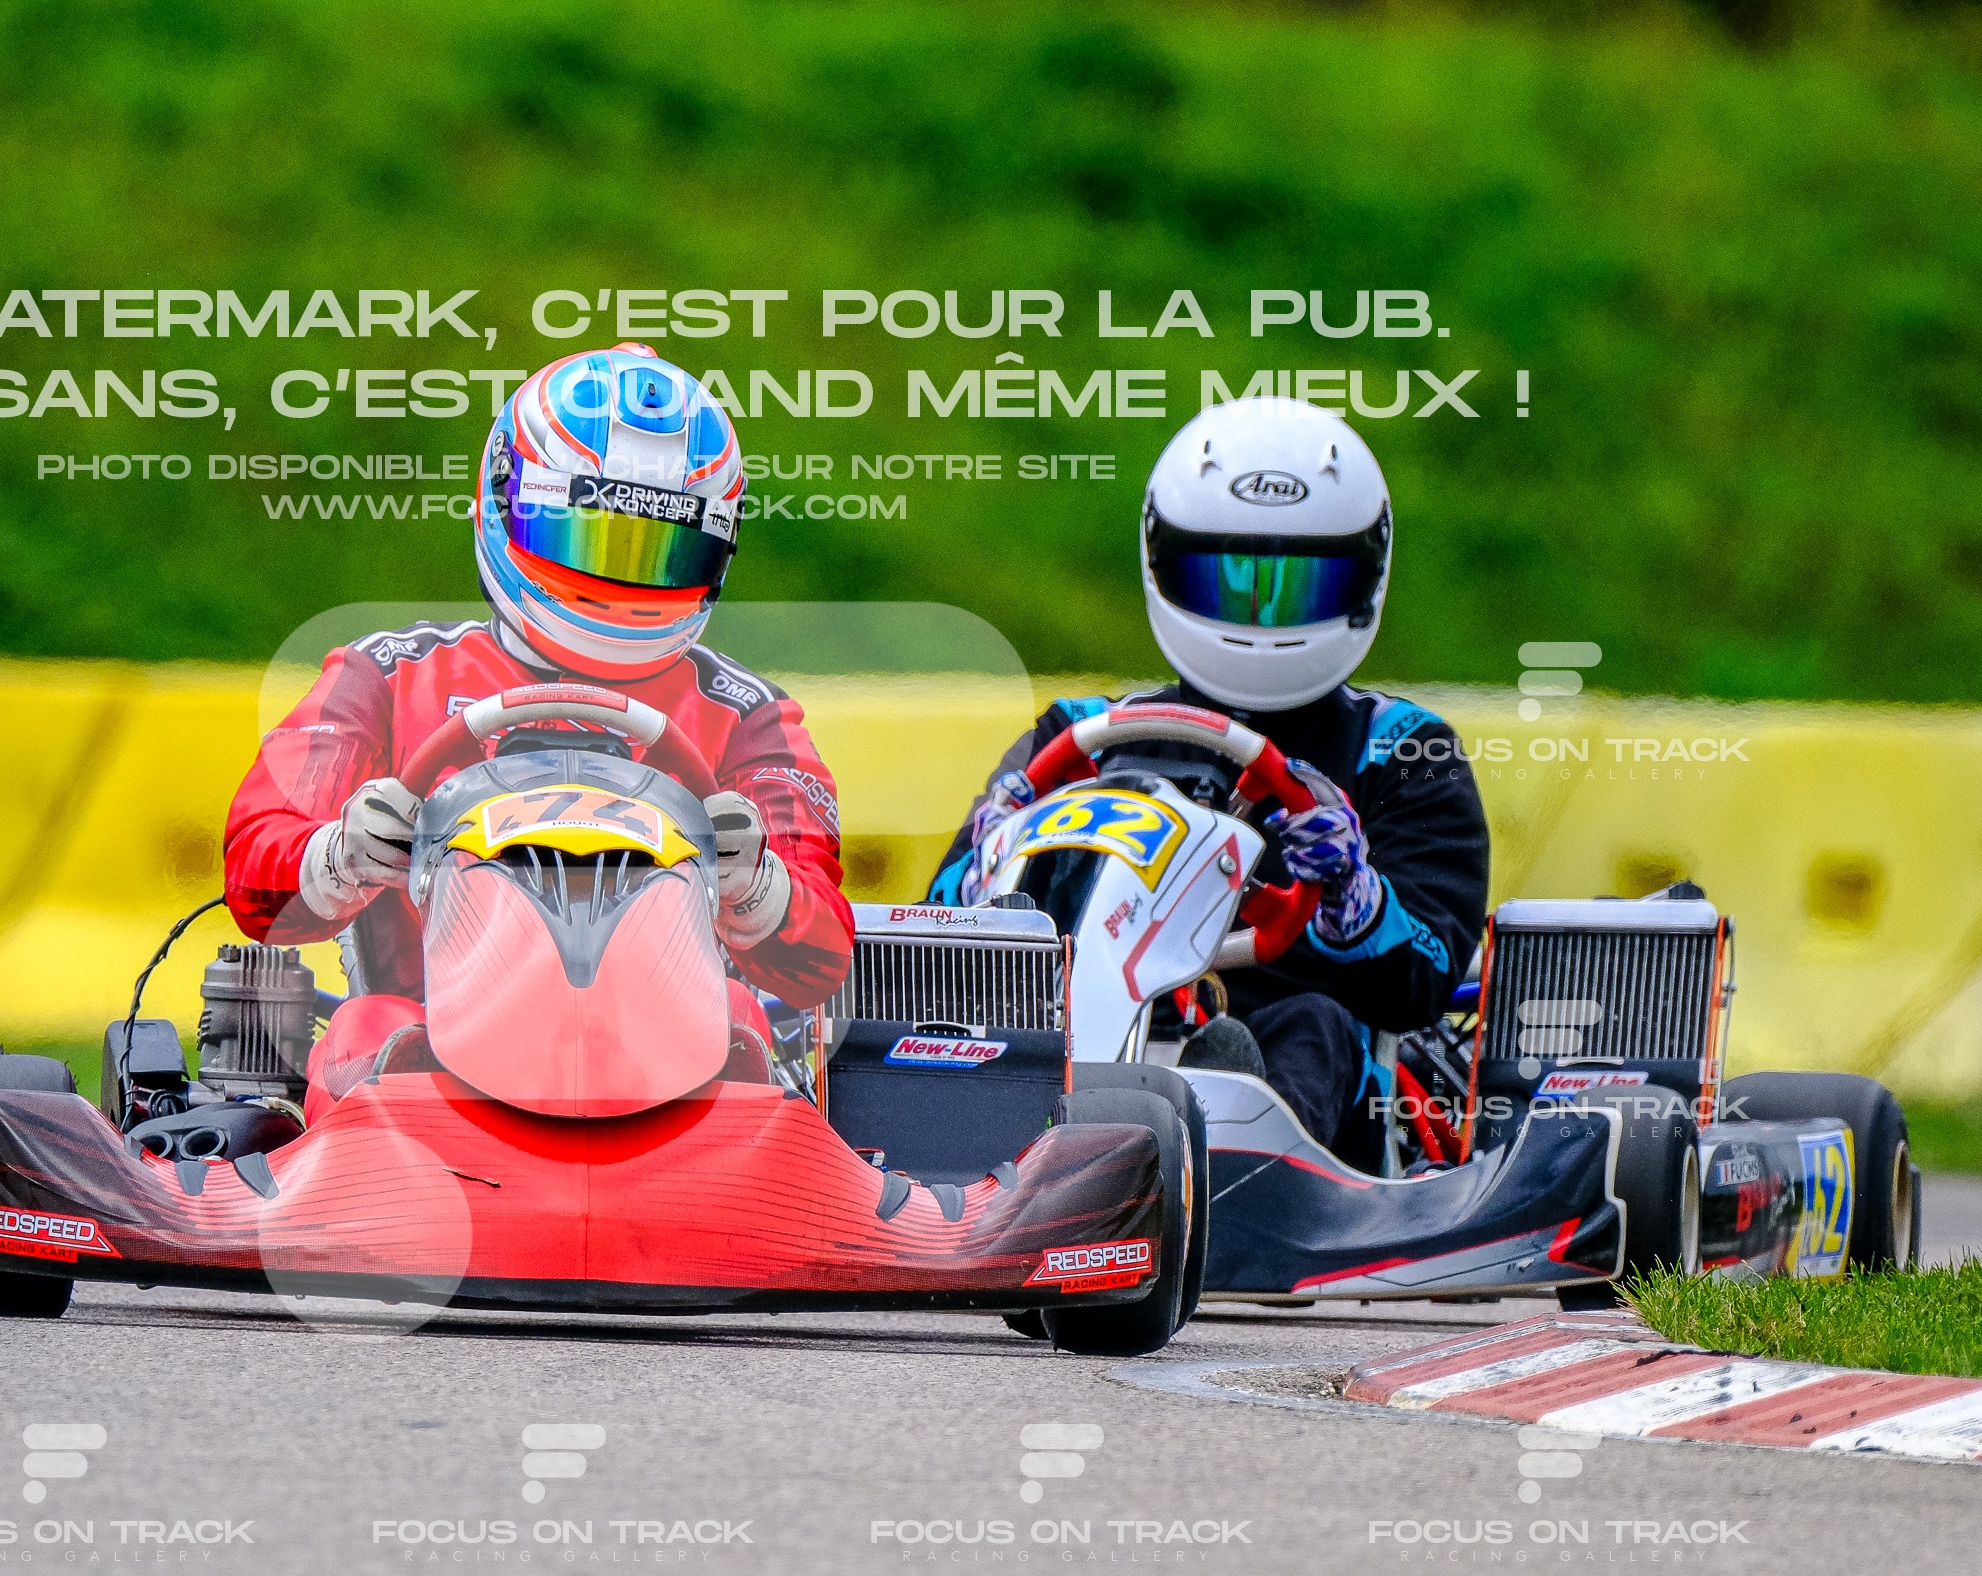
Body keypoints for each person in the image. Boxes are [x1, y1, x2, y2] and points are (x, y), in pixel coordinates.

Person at [223, 344, 854, 1075]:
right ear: (504, 499)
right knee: (362, 1029)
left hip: (671, 1065)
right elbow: (255, 869)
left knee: (744, 1028)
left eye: (660, 551)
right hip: (424, 1055)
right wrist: (341, 854)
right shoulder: (390, 676)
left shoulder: (745, 716)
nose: (616, 578)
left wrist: (758, 885)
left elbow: (823, 957)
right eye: (586, 534)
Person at [926, 396, 1487, 1161]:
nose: (1261, 614)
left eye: (1301, 584)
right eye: (1228, 577)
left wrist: (1353, 900)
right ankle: (982, 1166)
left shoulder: (1401, 752)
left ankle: (1221, 1172)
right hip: (1088, 1033)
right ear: (1166, 563)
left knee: (1315, 1025)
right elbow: (938, 934)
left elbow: (1424, 980)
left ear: (1363, 576)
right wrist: (992, 857)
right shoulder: (1081, 738)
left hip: (1302, 1077)